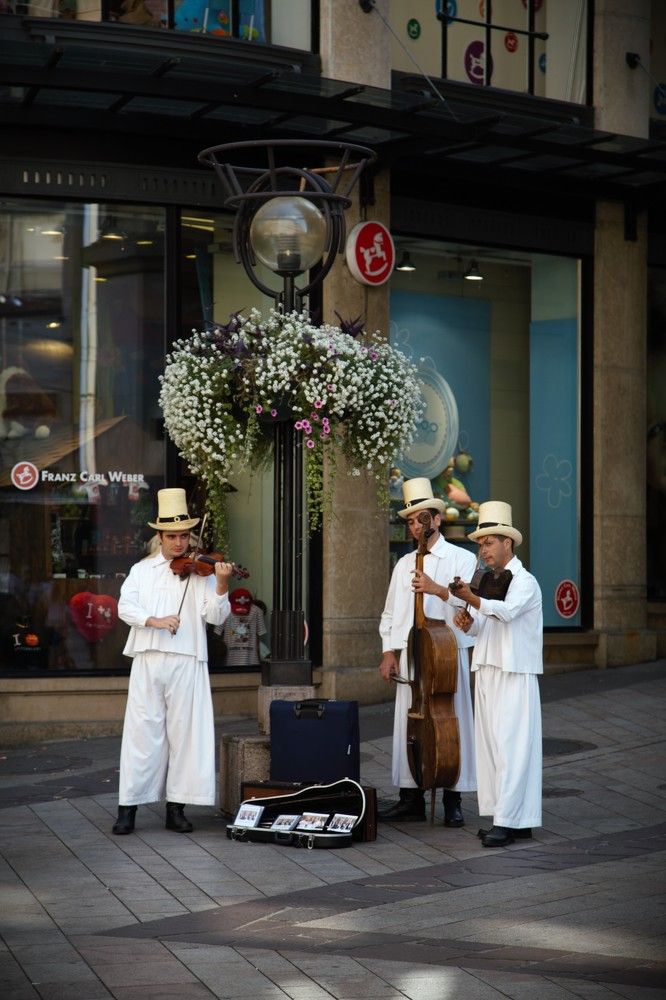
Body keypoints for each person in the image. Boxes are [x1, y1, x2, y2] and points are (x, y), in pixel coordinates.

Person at [112, 488, 233, 836]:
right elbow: (125, 607)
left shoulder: (203, 571)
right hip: (149, 657)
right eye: (172, 537)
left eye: (183, 536)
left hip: (187, 659)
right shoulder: (142, 569)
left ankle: (176, 807)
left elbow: (215, 616)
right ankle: (128, 807)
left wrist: (222, 583)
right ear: (160, 537)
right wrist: (155, 620)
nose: (179, 544)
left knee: (185, 735)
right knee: (141, 733)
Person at [378, 477, 477, 825]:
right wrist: (389, 652)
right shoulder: (403, 564)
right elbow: (391, 612)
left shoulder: (462, 558)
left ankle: (453, 796)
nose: (415, 526)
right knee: (410, 722)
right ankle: (411, 795)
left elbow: (470, 610)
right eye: (409, 520)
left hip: (446, 654)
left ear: (436, 519)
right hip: (412, 653)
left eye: (421, 518)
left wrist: (436, 589)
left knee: (454, 721)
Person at [452, 500, 543, 848]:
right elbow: (488, 625)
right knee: (490, 746)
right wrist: (470, 623)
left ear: (508, 542)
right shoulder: (489, 581)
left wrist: (472, 602)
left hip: (514, 671)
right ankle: (508, 818)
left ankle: (510, 820)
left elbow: (506, 614)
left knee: (512, 746)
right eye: (480, 543)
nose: (483, 548)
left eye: (489, 541)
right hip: (488, 667)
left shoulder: (525, 581)